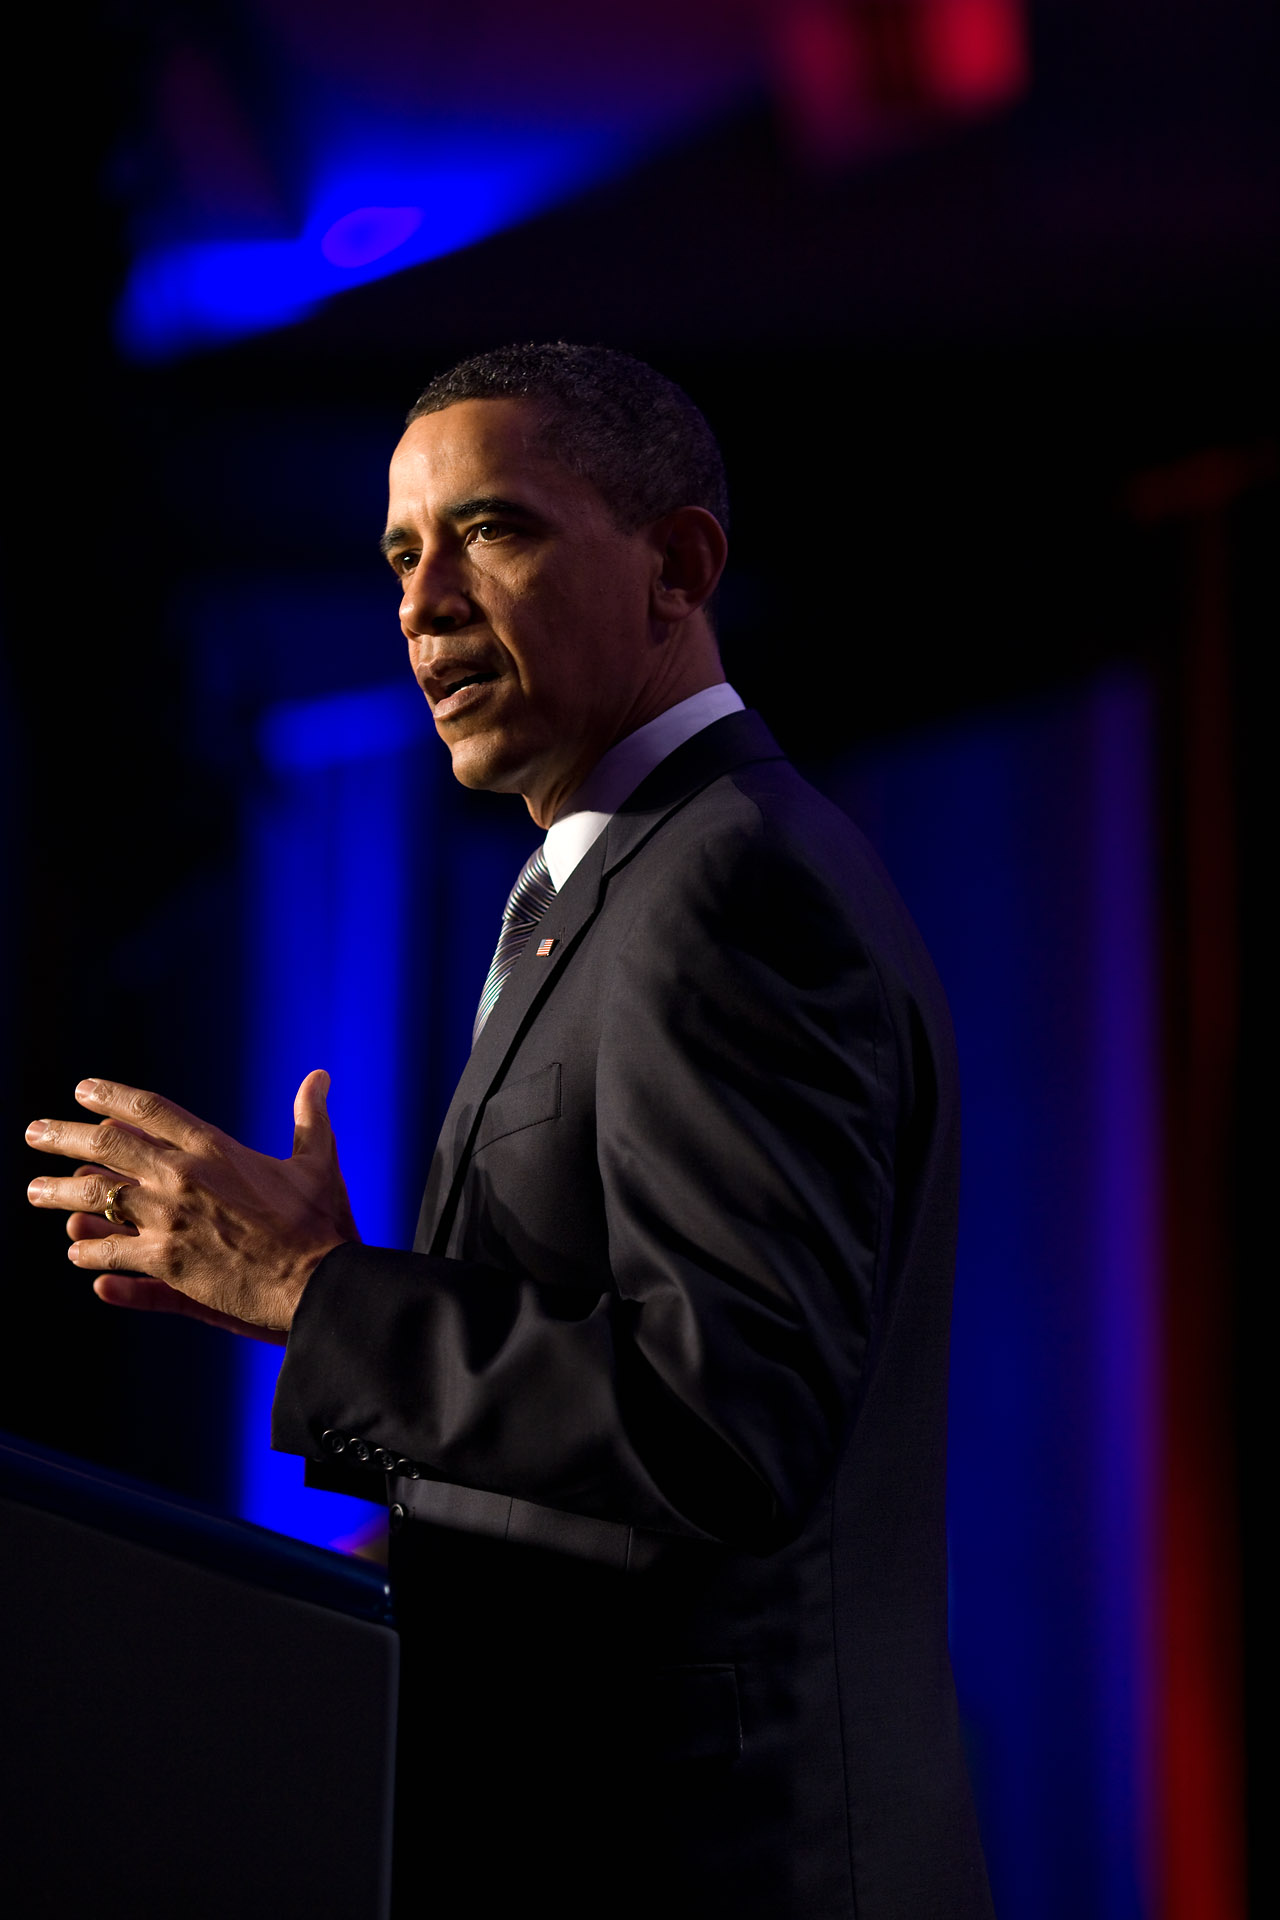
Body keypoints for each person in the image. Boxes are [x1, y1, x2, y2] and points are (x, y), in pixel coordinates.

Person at [26, 345, 993, 1918]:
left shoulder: (729, 887)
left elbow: (726, 1422)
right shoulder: (602, 893)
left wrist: (316, 1296)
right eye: (403, 555)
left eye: (494, 532)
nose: (421, 603)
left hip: (726, 1867)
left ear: (677, 567)